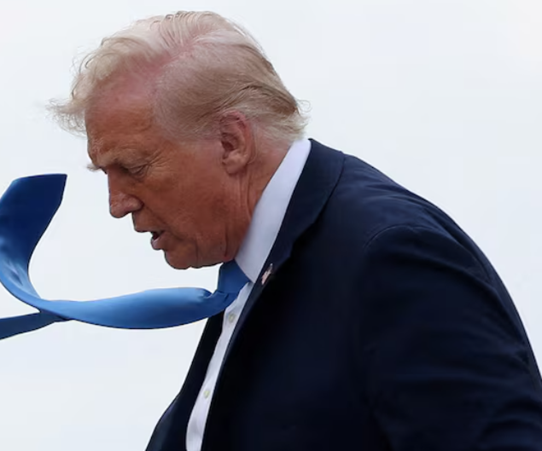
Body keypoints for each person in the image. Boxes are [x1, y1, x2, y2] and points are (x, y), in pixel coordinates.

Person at [49, 10, 542, 451]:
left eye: (133, 168)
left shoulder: (388, 256)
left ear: (231, 142)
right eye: (106, 175)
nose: (117, 205)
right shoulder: (259, 267)